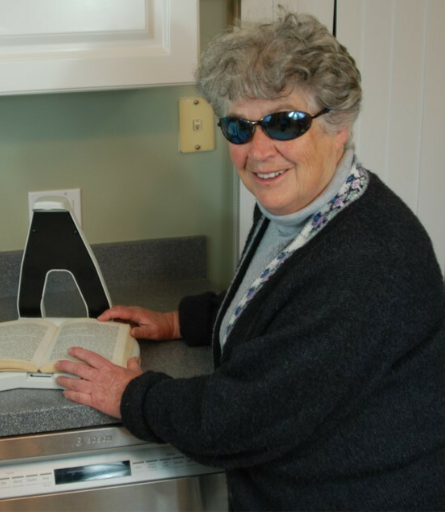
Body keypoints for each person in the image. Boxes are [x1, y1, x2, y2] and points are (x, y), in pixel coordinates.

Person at [56, 9, 445, 510]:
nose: (259, 151)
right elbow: (278, 295)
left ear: (339, 125)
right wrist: (182, 321)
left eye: (284, 123)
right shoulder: (311, 207)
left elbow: (241, 417)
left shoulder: (369, 261)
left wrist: (132, 395)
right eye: (239, 128)